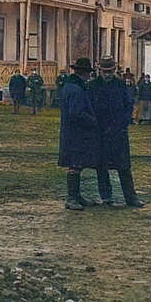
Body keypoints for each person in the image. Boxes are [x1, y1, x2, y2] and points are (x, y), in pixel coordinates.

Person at [91, 56, 145, 207]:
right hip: (100, 132)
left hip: (118, 132)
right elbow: (90, 108)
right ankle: (106, 197)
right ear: (99, 70)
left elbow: (128, 106)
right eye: (105, 71)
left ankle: (131, 198)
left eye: (110, 71)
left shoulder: (121, 85)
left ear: (114, 70)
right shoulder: (93, 86)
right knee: (101, 166)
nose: (107, 74)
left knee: (124, 166)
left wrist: (123, 123)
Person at [57, 58, 102, 210]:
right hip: (76, 134)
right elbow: (77, 114)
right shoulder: (76, 90)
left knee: (77, 165)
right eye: (88, 73)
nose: (89, 76)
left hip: (72, 133)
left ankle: (76, 196)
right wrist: (94, 121)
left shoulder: (70, 87)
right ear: (84, 73)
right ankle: (72, 198)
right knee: (75, 165)